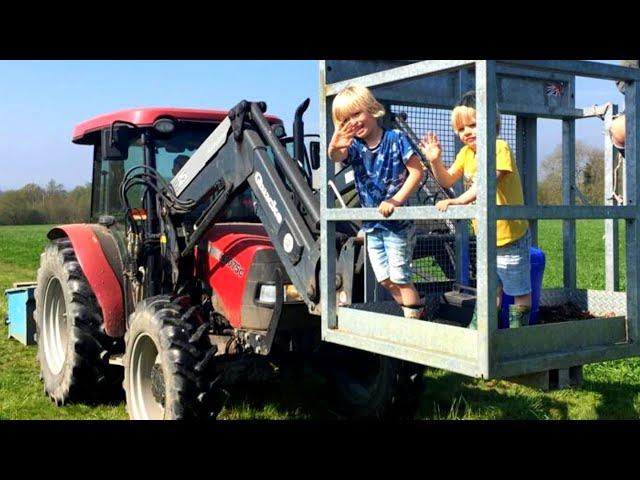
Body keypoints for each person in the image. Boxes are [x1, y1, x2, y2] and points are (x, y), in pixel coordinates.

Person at [420, 91, 531, 329]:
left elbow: (488, 183)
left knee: (518, 288)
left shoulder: (498, 147)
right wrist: (435, 161)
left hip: (511, 236)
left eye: (473, 125)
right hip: (486, 236)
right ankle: (482, 332)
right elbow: (447, 180)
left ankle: (517, 334)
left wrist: (459, 201)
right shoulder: (466, 153)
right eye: (461, 129)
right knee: (490, 287)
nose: (467, 132)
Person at [328, 84, 426, 319]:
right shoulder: (354, 148)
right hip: (372, 226)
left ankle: (414, 325)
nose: (353, 122)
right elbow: (336, 156)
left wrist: (396, 200)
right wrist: (335, 142)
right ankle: (416, 312)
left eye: (356, 114)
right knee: (385, 279)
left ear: (372, 110)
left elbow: (417, 171)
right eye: (345, 120)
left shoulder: (395, 139)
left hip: (396, 225)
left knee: (401, 279)